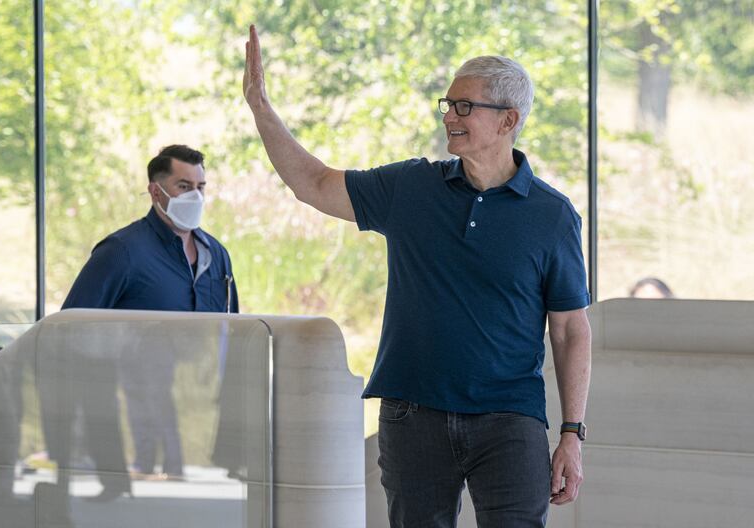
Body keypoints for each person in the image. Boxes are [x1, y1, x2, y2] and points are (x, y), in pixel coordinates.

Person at [243, 25, 591, 527]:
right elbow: (314, 184)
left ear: (508, 120)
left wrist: (571, 434)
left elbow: (570, 329)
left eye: (465, 106)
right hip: (412, 416)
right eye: (447, 104)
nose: (450, 115)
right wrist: (260, 108)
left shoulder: (552, 216)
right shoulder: (410, 187)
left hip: (510, 419)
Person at [58, 144, 239, 498]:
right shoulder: (122, 252)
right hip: (131, 412)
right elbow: (69, 327)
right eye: (184, 186)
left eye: (201, 187)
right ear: (157, 191)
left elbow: (235, 329)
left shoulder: (216, 254)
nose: (196, 196)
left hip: (207, 442)